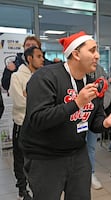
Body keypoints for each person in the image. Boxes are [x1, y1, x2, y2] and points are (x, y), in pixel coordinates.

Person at [19, 31, 111, 200]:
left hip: (77, 153)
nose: (97, 56)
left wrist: (106, 123)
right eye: (92, 50)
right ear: (76, 54)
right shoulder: (46, 77)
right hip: (45, 156)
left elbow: (94, 121)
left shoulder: (93, 82)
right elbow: (38, 119)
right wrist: (76, 103)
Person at [9, 46, 44, 200]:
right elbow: (18, 102)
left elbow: (50, 99)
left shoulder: (42, 75)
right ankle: (22, 189)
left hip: (39, 124)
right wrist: (38, 100)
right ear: (30, 58)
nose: (42, 59)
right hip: (22, 124)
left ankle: (36, 186)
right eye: (38, 56)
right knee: (20, 158)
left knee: (36, 158)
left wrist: (29, 95)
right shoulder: (17, 76)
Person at [86, 65, 111, 190]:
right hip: (76, 117)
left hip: (94, 117)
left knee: (90, 147)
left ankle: (90, 174)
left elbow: (107, 91)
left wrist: (99, 108)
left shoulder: (100, 70)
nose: (95, 56)